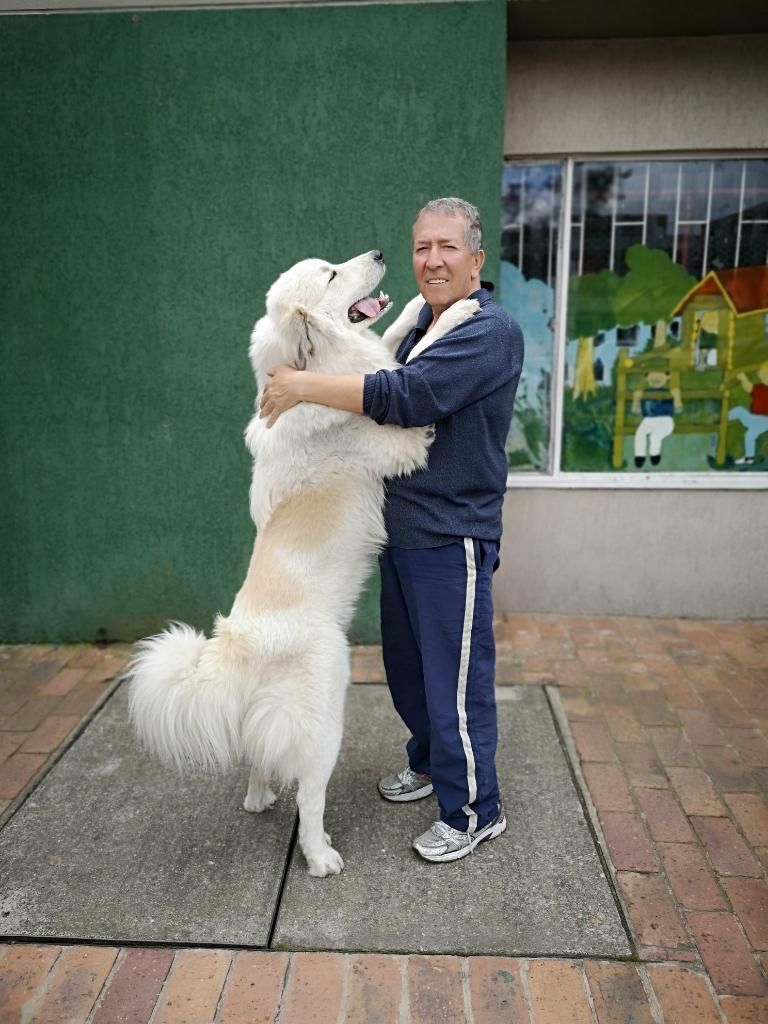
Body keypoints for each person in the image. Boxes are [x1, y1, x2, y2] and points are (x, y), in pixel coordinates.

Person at [260, 197, 524, 862]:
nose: (432, 260)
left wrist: (301, 385)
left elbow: (406, 398)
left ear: (475, 258)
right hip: (400, 534)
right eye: (423, 248)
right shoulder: (418, 326)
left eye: (447, 247)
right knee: (409, 673)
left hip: (451, 534)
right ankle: (430, 762)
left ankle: (473, 811)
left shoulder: (487, 333)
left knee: (456, 682)